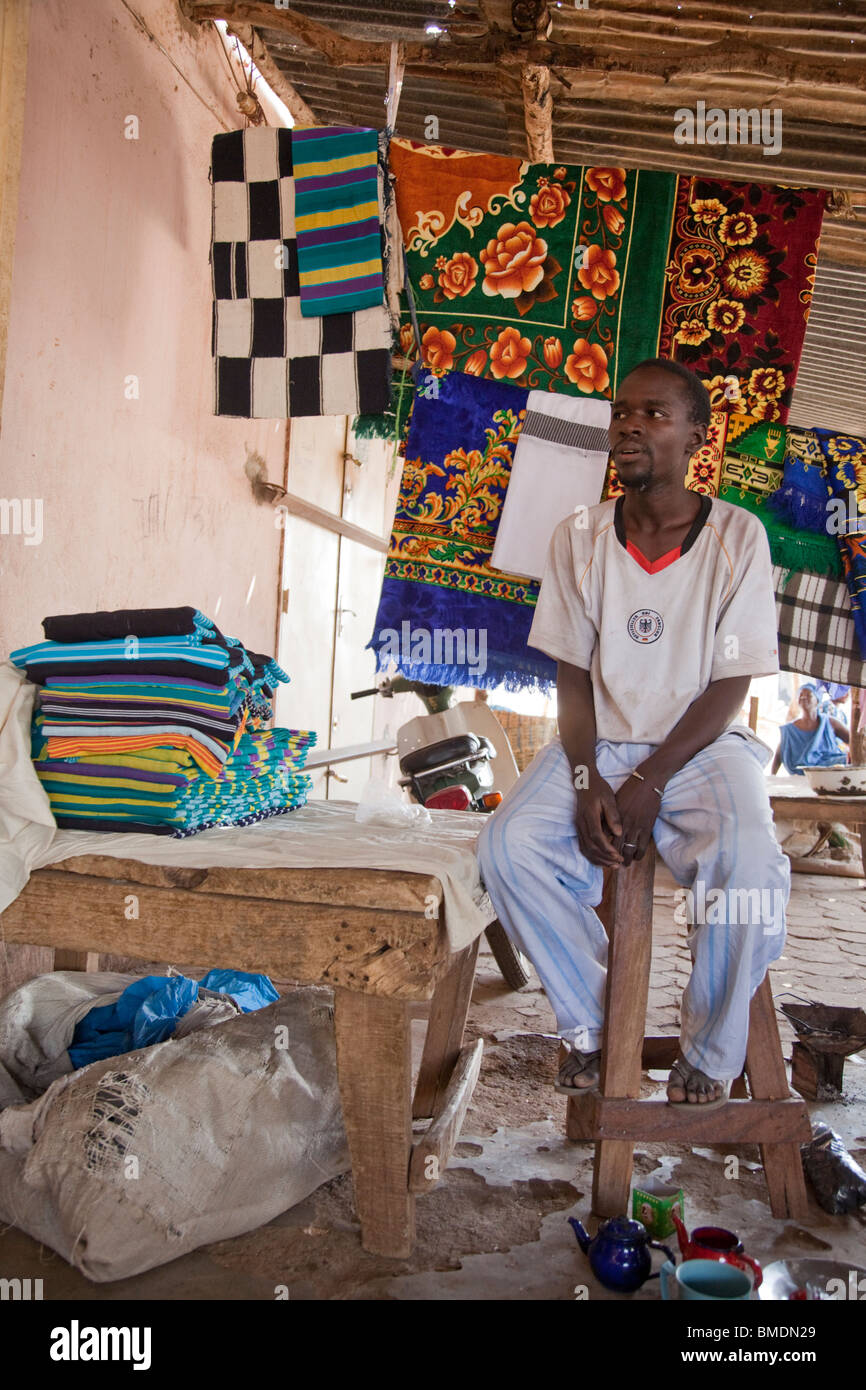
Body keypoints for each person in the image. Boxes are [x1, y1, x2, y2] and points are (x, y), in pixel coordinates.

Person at [477, 358, 789, 1107]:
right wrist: (588, 782)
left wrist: (649, 782)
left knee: (748, 867)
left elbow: (731, 683)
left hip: (704, 750)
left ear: (696, 436)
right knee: (507, 846)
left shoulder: (737, 538)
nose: (630, 426)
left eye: (654, 414)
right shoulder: (579, 537)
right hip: (602, 747)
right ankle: (594, 1024)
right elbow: (575, 677)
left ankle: (713, 1050)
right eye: (623, 413)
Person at [771, 683, 850, 775]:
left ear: (817, 700)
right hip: (800, 771)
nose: (804, 697)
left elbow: (853, 741)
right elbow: (779, 755)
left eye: (809, 695)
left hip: (828, 769)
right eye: (801, 695)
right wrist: (773, 775)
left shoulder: (829, 722)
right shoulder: (789, 730)